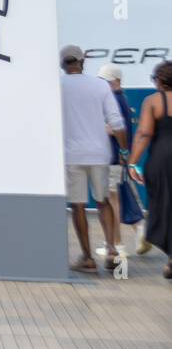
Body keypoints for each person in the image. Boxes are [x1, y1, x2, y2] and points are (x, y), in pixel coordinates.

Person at [60, 45, 126, 274]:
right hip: (100, 153)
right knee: (103, 201)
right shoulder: (100, 85)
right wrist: (125, 151)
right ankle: (111, 250)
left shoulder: (57, 86)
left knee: (78, 205)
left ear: (62, 64)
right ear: (82, 62)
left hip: (71, 155)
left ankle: (87, 258)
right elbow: (117, 122)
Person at [127, 60, 172, 279]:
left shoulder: (153, 101)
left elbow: (144, 133)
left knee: (162, 205)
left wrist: (132, 162)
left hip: (162, 159)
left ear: (160, 80)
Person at [97, 64, 138, 256]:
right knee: (114, 198)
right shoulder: (121, 98)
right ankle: (114, 243)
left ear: (115, 80)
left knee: (111, 199)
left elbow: (116, 128)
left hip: (112, 155)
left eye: (105, 80)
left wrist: (99, 128)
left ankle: (116, 244)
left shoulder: (114, 99)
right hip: (116, 155)